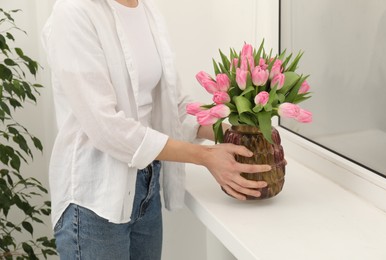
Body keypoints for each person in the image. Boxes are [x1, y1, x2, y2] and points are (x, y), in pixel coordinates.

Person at [42, 0, 270, 259]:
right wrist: (205, 156)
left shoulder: (147, 10)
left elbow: (173, 104)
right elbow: (106, 127)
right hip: (95, 201)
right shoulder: (74, 11)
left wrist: (234, 132)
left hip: (147, 185)